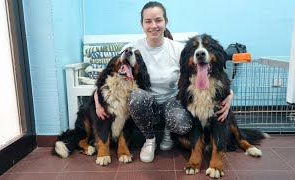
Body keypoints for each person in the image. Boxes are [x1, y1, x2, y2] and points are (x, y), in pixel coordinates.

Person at [94, 1, 234, 163]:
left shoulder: (177, 49)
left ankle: (168, 133)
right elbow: (108, 73)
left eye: (158, 20)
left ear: (165, 22)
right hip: (146, 105)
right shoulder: (132, 48)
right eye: (148, 21)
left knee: (182, 123)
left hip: (172, 103)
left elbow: (205, 74)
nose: (153, 25)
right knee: (137, 97)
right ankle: (150, 139)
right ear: (142, 24)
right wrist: (97, 100)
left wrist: (229, 94)